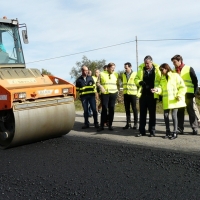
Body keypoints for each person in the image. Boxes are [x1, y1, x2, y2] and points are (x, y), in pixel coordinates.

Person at [151, 63, 186, 139]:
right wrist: (156, 90)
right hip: (166, 100)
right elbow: (161, 89)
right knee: (166, 115)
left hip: (174, 100)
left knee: (174, 116)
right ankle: (167, 131)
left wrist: (179, 95)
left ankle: (175, 132)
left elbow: (182, 87)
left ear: (166, 69)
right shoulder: (162, 79)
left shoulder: (175, 76)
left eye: (162, 69)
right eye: (160, 70)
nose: (161, 71)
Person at [171, 55, 198, 135]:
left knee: (191, 111)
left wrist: (194, 93)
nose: (174, 64)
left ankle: (194, 128)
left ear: (180, 61)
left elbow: (195, 81)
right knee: (180, 112)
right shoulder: (173, 71)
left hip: (189, 94)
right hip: (179, 95)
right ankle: (180, 129)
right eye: (173, 63)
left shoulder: (189, 68)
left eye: (175, 62)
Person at [134, 55, 161, 137]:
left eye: (148, 63)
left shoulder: (157, 70)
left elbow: (160, 82)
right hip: (143, 94)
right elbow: (136, 79)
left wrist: (157, 90)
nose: (146, 65)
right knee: (142, 114)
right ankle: (141, 131)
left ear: (151, 62)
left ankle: (152, 131)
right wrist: (139, 82)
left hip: (152, 95)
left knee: (152, 114)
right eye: (145, 63)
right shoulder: (141, 70)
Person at [97, 62, 119, 131]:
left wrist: (117, 91)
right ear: (108, 68)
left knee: (111, 109)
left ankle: (110, 125)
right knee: (104, 109)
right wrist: (101, 87)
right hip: (105, 94)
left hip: (113, 94)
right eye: (112, 68)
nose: (113, 70)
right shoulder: (102, 74)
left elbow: (117, 84)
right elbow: (97, 83)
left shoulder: (115, 74)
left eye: (114, 68)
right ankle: (101, 126)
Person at [122, 62, 138, 129]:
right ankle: (128, 124)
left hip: (133, 94)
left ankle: (135, 124)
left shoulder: (135, 74)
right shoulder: (123, 74)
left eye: (126, 68)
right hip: (126, 94)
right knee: (127, 109)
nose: (125, 69)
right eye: (125, 68)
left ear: (130, 67)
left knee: (134, 109)